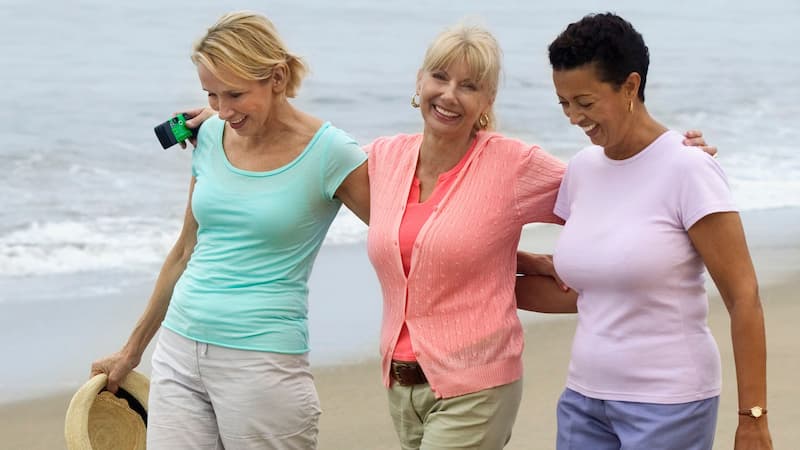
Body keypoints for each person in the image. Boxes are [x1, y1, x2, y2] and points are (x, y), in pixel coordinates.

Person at [181, 21, 714, 449]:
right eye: (440, 77)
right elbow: (304, 150)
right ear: (419, 82)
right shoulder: (383, 160)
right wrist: (227, 112)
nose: (450, 95)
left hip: (479, 383)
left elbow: (610, 188)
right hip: (403, 386)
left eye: (471, 85)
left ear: (488, 100)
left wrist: (674, 157)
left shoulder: (514, 165)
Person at [90, 11, 369, 449]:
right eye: (212, 94)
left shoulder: (331, 153)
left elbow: (400, 236)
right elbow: (185, 251)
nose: (222, 110)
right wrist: (132, 351)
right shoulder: (208, 136)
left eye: (235, 94)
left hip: (262, 364)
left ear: (276, 78)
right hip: (179, 353)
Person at [517, 12, 772, 450]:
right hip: (583, 400)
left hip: (669, 403)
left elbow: (743, 296)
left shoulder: (689, 169)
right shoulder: (581, 170)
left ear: (630, 86)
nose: (574, 117)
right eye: (563, 103)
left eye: (586, 101)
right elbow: (594, 293)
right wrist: (477, 282)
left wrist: (753, 418)